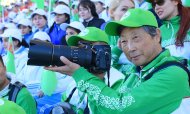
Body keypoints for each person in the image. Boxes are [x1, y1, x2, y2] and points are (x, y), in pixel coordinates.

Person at [45, 9, 190, 114]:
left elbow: (120, 108)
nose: (130, 48)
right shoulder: (135, 72)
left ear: (157, 35)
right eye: (124, 41)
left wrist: (80, 75)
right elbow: (104, 110)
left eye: (136, 38)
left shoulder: (173, 73)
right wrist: (97, 78)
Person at [52, 27, 125, 114]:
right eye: (78, 47)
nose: (81, 52)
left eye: (87, 46)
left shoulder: (117, 80)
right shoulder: (77, 75)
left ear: (104, 49)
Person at [146, 0, 190, 69]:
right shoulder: (157, 33)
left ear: (175, 1)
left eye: (160, 2)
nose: (156, 7)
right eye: (154, 4)